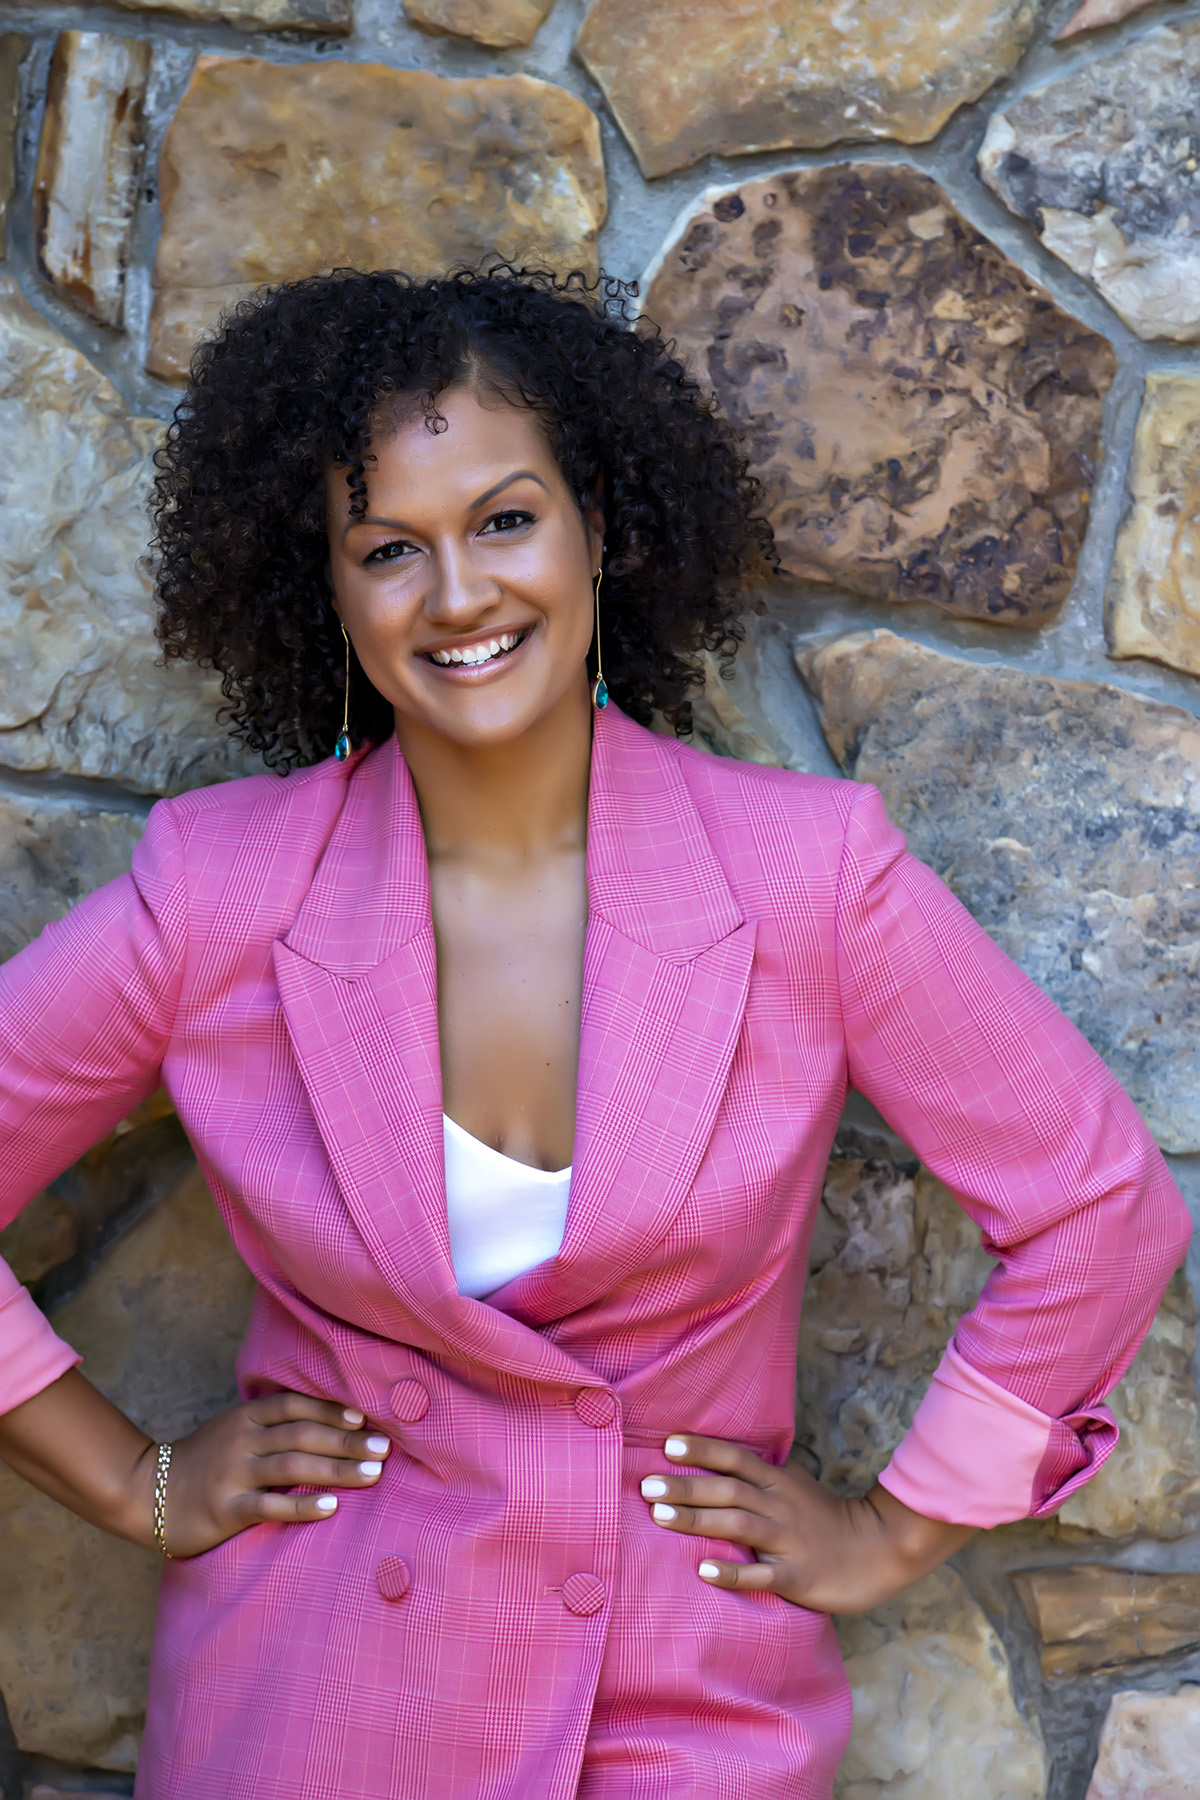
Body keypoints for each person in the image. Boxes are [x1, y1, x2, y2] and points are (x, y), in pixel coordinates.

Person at [0, 267, 1188, 1800]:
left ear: (603, 528)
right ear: (328, 587)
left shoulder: (803, 877)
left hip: (683, 1705)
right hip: (315, 1704)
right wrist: (136, 1482)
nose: (459, 596)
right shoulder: (220, 892)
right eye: (388, 549)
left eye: (505, 520)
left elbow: (1100, 1209)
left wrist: (895, 1528)